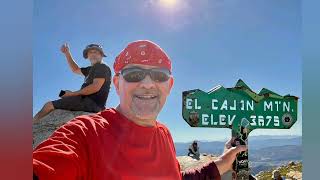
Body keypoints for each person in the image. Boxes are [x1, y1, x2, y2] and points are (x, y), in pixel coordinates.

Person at [33, 40, 247, 180]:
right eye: (134, 74)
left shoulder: (164, 134)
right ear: (117, 84)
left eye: (159, 75)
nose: (147, 83)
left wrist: (221, 163)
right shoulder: (85, 133)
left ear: (169, 86)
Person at [33, 43, 112, 123]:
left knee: (48, 105)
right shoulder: (90, 70)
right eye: (90, 52)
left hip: (91, 103)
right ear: (87, 56)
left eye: (96, 52)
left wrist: (71, 94)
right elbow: (75, 69)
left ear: (101, 55)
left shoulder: (102, 67)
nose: (93, 54)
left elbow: (95, 87)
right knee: (61, 95)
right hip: (88, 102)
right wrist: (67, 53)